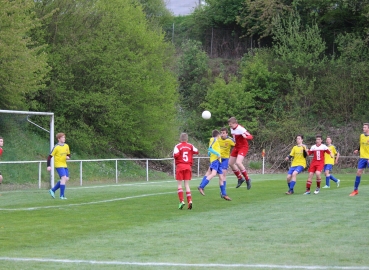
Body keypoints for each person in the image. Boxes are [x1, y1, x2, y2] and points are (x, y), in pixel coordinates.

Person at [198, 129, 231, 201]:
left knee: (221, 178)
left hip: (218, 161)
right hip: (215, 160)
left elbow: (209, 151)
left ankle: (224, 194)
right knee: (213, 174)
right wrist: (217, 154)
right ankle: (201, 186)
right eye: (220, 135)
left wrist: (211, 153)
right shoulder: (214, 139)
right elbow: (209, 148)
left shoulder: (215, 141)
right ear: (218, 135)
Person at [173, 133, 199, 210]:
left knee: (179, 185)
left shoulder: (177, 146)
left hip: (180, 166)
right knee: (187, 185)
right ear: (187, 139)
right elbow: (197, 151)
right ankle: (190, 201)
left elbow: (175, 155)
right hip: (188, 166)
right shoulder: (190, 145)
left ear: (180, 139)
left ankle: (181, 201)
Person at [228, 117, 253, 189]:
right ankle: (240, 178)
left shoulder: (241, 129)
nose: (230, 126)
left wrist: (246, 137)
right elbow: (234, 138)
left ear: (235, 123)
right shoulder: (232, 128)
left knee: (238, 162)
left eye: (231, 124)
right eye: (229, 125)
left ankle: (247, 179)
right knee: (230, 163)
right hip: (237, 147)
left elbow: (250, 136)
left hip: (243, 147)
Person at [47, 133, 71, 199]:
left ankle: (53, 190)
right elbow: (49, 157)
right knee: (63, 178)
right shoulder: (56, 147)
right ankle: (62, 196)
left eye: (64, 137)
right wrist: (48, 166)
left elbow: (69, 155)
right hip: (58, 165)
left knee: (66, 179)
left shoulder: (66, 146)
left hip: (64, 165)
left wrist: (68, 157)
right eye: (62, 137)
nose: (64, 138)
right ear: (59, 139)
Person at [349, 123, 369, 196]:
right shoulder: (361, 136)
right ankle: (355, 190)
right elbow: (360, 144)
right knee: (358, 172)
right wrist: (357, 150)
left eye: (365, 127)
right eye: (363, 127)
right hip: (362, 157)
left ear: (368, 129)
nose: (363, 128)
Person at [218, 127, 235, 197]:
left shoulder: (230, 140)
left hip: (225, 159)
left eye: (223, 133)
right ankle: (223, 191)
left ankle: (223, 192)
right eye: (221, 133)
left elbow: (237, 145)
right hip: (217, 159)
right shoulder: (217, 139)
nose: (222, 134)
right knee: (219, 176)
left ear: (227, 134)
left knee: (223, 175)